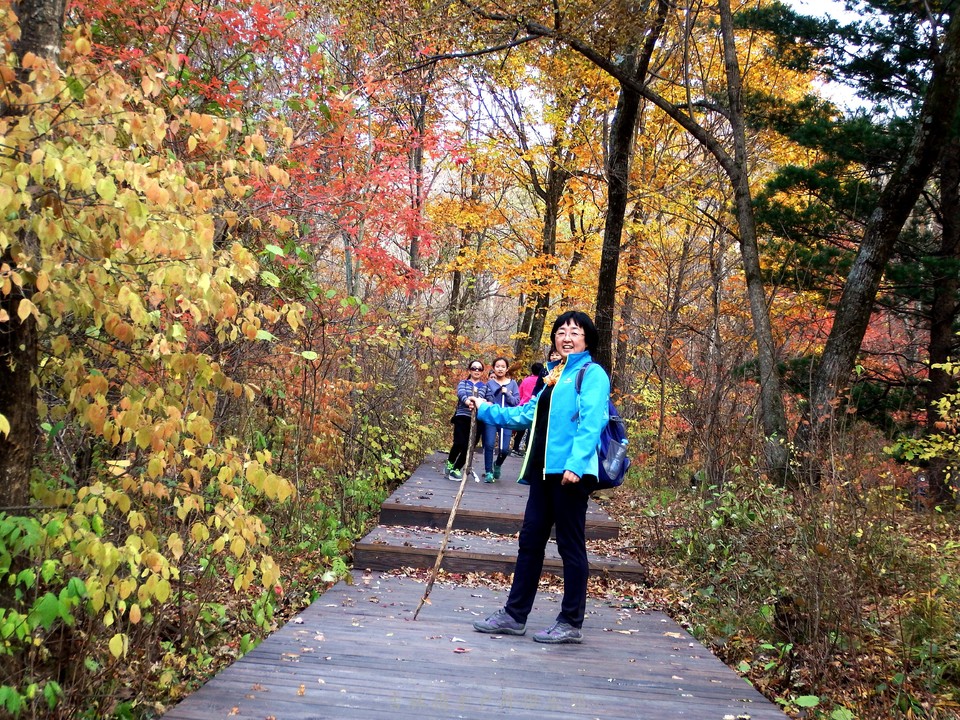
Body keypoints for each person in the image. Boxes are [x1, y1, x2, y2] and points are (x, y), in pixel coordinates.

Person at [466, 311, 610, 644]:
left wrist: (576, 463)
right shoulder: (554, 375)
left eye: (574, 331)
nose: (567, 337)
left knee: (571, 546)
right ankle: (515, 616)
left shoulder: (592, 374)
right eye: (561, 331)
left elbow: (592, 421)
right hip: (544, 474)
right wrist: (484, 407)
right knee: (530, 542)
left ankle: (571, 621)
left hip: (571, 474)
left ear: (587, 338)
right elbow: (524, 415)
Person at [444, 360, 489, 480]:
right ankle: (450, 462)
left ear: (482, 372)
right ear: (470, 370)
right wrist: (468, 402)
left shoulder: (485, 386)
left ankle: (456, 469)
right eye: (474, 368)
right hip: (462, 416)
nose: (476, 371)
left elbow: (490, 399)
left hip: (478, 419)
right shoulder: (463, 383)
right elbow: (461, 393)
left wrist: (484, 402)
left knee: (470, 445)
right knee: (459, 442)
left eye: (479, 369)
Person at [481, 357, 520, 483]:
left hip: (506, 418)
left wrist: (507, 393)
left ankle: (497, 464)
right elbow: (485, 399)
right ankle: (488, 472)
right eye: (497, 366)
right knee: (489, 445)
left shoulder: (513, 384)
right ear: (493, 368)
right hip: (491, 418)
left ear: (507, 369)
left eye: (503, 366)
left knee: (504, 449)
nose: (500, 369)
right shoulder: (489, 384)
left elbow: (516, 402)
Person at [511, 361, 544, 455]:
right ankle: (528, 450)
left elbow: (520, 393)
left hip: (524, 405)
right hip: (536, 406)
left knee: (521, 429)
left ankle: (515, 448)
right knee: (531, 430)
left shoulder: (526, 380)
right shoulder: (543, 381)